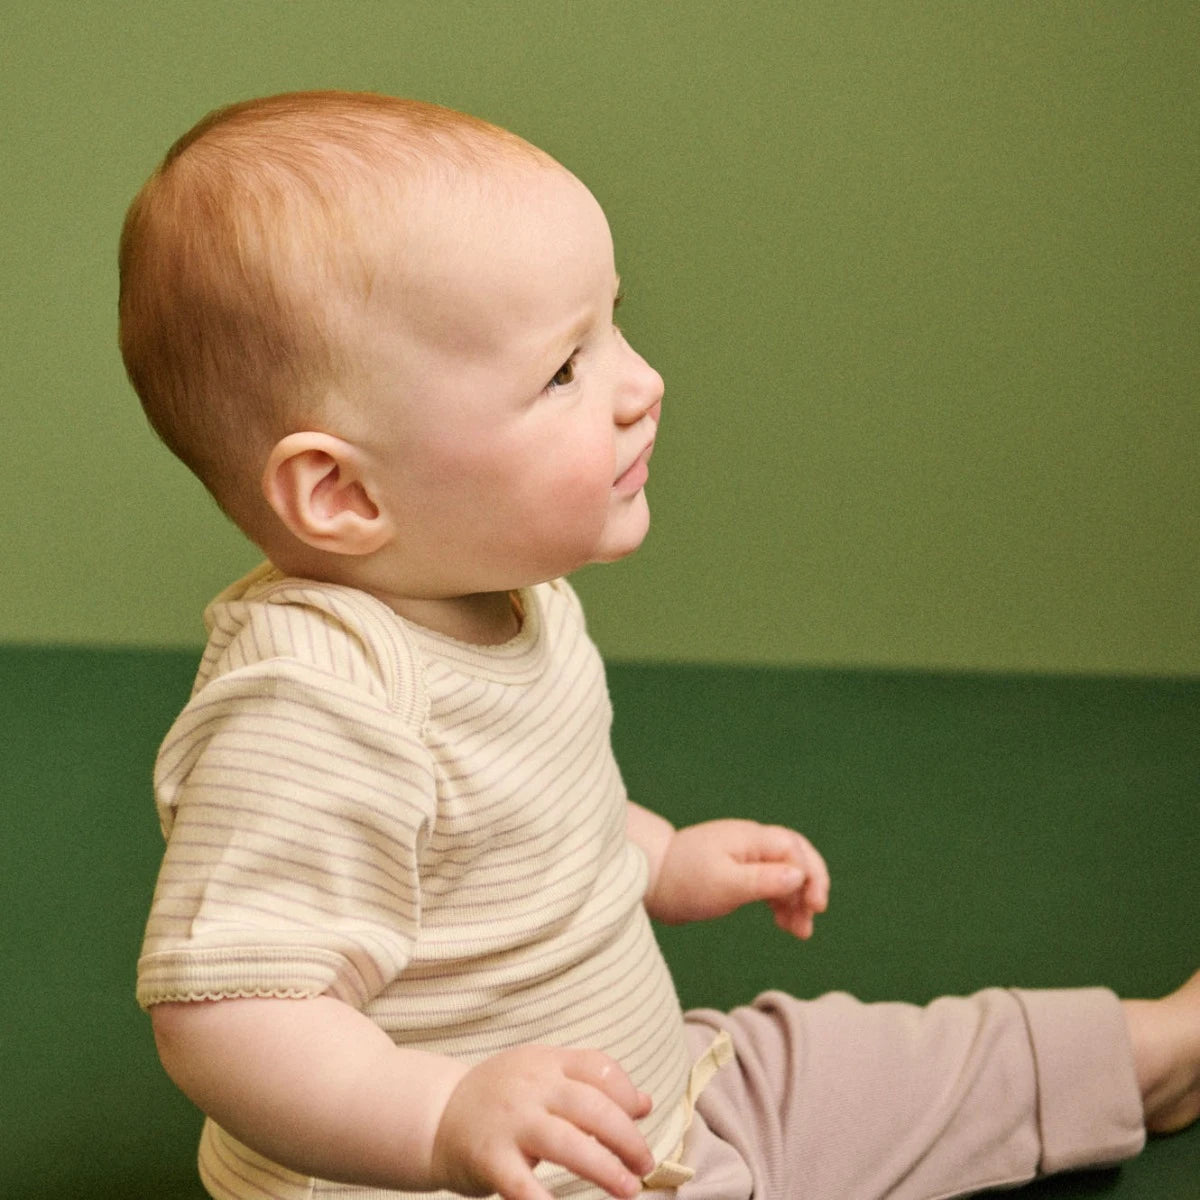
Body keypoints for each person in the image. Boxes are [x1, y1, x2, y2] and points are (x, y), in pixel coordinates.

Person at [120, 90, 1200, 1200]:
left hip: (661, 1097)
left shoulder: (510, 595)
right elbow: (227, 1019)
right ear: (343, 491)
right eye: (562, 371)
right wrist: (442, 1114)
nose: (644, 384)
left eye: (614, 324)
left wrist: (658, 855)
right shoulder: (314, 702)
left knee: (864, 1065)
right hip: (469, 1181)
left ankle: (1144, 1056)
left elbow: (512, 833)